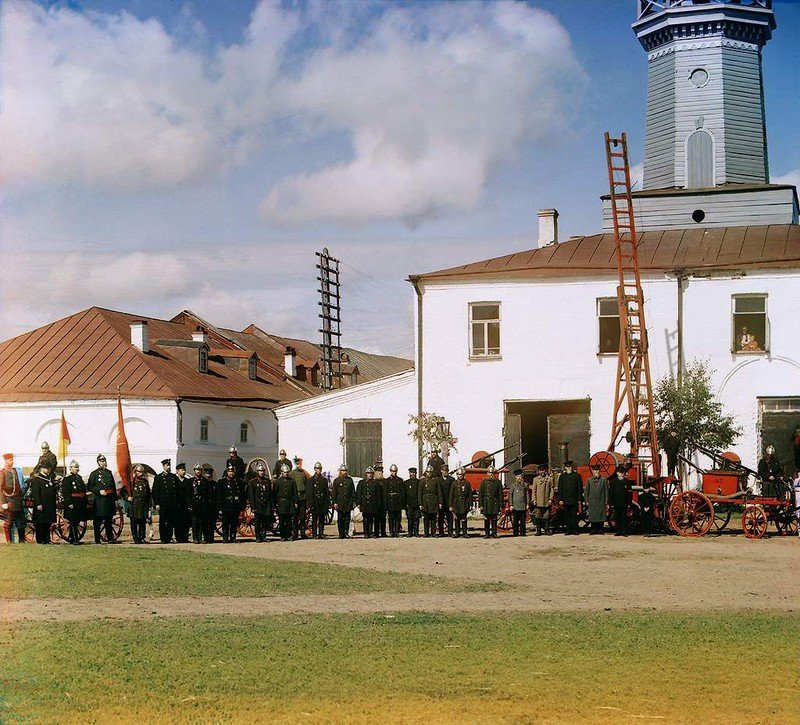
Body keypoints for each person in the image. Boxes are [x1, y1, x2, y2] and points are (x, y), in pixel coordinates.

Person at [88, 454, 117, 543]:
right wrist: (98, 491)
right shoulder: (94, 474)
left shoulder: (109, 472)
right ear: (98, 462)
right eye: (101, 461)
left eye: (104, 461)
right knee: (97, 521)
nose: (103, 463)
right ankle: (97, 539)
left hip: (109, 499)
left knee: (108, 520)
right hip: (99, 500)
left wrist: (115, 499)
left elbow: (113, 486)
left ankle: (110, 538)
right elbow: (90, 486)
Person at [152, 458, 181, 543]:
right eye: (167, 465)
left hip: (172, 503)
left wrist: (176, 502)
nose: (169, 467)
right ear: (163, 466)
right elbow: (155, 491)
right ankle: (163, 538)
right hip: (163, 503)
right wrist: (156, 503)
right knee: (163, 521)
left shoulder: (173, 477)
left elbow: (177, 490)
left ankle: (169, 537)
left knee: (170, 521)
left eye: (169, 465)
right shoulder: (159, 477)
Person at [61, 460, 88, 545]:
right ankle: (75, 539)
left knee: (77, 521)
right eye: (75, 467)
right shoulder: (67, 479)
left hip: (79, 502)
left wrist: (85, 502)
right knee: (73, 522)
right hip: (72, 502)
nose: (77, 469)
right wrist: (69, 503)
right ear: (71, 468)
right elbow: (66, 492)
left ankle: (72, 538)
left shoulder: (79, 478)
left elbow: (83, 491)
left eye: (77, 467)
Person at [29, 463, 57, 544]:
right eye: (47, 468)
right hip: (41, 504)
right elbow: (36, 493)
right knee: (40, 523)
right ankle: (40, 540)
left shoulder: (49, 479)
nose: (49, 470)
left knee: (47, 523)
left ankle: (47, 540)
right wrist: (38, 504)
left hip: (49, 505)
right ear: (42, 469)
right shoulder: (37, 480)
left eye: (49, 469)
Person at [1, 453, 26, 543]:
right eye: (10, 460)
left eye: (12, 459)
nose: (12, 461)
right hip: (9, 501)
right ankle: (9, 541)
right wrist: (3, 503)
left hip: (17, 500)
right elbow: (0, 489)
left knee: (21, 522)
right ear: (6, 461)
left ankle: (22, 540)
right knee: (9, 522)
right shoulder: (2, 472)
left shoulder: (15, 471)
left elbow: (19, 485)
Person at [217, 464, 243, 543]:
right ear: (227, 472)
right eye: (229, 471)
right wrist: (220, 506)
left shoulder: (237, 482)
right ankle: (225, 537)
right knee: (225, 523)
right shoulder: (222, 482)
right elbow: (219, 495)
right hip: (226, 505)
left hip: (235, 505)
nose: (231, 473)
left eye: (232, 471)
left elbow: (241, 494)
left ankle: (233, 537)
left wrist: (240, 505)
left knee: (234, 522)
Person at [247, 463, 273, 542]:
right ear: (257, 472)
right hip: (258, 504)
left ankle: (264, 536)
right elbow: (251, 496)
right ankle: (258, 537)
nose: (261, 472)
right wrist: (253, 507)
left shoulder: (267, 481)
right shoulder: (253, 482)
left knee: (265, 521)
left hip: (266, 504)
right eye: (260, 471)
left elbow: (270, 494)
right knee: (258, 522)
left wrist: (271, 505)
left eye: (262, 471)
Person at [188, 463, 213, 544]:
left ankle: (200, 537)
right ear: (194, 471)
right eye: (197, 470)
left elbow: (208, 493)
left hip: (203, 504)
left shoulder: (205, 481)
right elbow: (188, 494)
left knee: (202, 522)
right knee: (195, 522)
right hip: (194, 504)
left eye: (199, 470)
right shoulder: (190, 481)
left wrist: (207, 504)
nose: (198, 471)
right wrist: (189, 505)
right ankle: (195, 538)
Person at [273, 463, 298, 542]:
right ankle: (283, 536)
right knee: (282, 521)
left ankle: (289, 535)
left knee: (289, 521)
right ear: (281, 472)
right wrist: (275, 504)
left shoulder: (292, 481)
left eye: (287, 472)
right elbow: (275, 494)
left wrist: (295, 502)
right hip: (281, 503)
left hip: (289, 503)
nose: (286, 473)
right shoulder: (277, 482)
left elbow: (295, 493)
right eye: (284, 472)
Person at [558, 460, 583, 535]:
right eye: (567, 467)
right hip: (565, 500)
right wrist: (560, 499)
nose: (568, 468)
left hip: (574, 499)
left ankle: (574, 530)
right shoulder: (562, 476)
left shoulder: (577, 476)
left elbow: (580, 489)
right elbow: (560, 488)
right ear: (565, 467)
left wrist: (579, 499)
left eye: (570, 466)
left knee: (574, 516)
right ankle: (568, 530)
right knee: (567, 516)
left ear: (572, 467)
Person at [128, 464, 151, 544]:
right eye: (138, 471)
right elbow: (124, 491)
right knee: (134, 523)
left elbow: (148, 495)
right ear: (135, 472)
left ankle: (142, 537)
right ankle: (135, 538)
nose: (140, 473)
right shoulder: (131, 482)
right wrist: (127, 497)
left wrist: (149, 506)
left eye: (141, 472)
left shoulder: (145, 482)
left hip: (143, 504)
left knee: (142, 523)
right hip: (134, 504)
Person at [583, 463, 608, 535]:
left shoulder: (603, 480)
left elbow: (606, 491)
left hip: (601, 500)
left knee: (601, 515)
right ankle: (593, 529)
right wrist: (587, 501)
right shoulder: (589, 480)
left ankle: (600, 529)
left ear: (599, 471)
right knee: (593, 515)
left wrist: (606, 500)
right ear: (592, 471)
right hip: (592, 501)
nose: (596, 472)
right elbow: (586, 491)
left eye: (597, 470)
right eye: (595, 471)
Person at [478, 466, 503, 539]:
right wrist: (481, 504)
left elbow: (500, 494)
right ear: (487, 473)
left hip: (494, 503)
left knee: (494, 519)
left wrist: (500, 505)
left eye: (492, 473)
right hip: (486, 502)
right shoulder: (484, 482)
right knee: (486, 519)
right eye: (489, 472)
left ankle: (494, 533)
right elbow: (481, 494)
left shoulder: (498, 482)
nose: (490, 474)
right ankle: (487, 534)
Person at [332, 465, 355, 539]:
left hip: (348, 502)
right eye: (343, 471)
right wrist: (334, 502)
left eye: (345, 471)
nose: (344, 472)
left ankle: (346, 532)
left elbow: (352, 492)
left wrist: (353, 501)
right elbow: (334, 493)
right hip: (340, 503)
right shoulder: (337, 481)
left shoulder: (350, 480)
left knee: (347, 519)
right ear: (340, 471)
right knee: (340, 518)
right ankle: (341, 534)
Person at [307, 462, 330, 539]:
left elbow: (327, 492)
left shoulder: (324, 480)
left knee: (321, 519)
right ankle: (314, 534)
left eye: (320, 469)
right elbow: (309, 493)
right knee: (314, 519)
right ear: (314, 469)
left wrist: (328, 502)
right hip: (315, 501)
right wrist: (311, 503)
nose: (318, 470)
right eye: (317, 469)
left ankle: (321, 533)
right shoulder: (311, 480)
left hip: (322, 501)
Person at [608, 464, 632, 537]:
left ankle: (624, 531)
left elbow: (629, 494)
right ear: (617, 473)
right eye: (620, 472)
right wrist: (611, 503)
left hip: (624, 503)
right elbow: (611, 493)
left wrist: (629, 503)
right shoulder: (613, 482)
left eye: (622, 472)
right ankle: (618, 531)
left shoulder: (627, 482)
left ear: (624, 473)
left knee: (624, 517)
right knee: (617, 517)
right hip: (616, 502)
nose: (621, 474)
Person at [356, 467, 380, 538]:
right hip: (364, 503)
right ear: (366, 474)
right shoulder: (362, 483)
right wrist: (358, 503)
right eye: (368, 473)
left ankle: (370, 532)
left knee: (371, 519)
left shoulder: (375, 483)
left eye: (371, 473)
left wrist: (378, 504)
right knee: (366, 518)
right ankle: (366, 533)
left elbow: (378, 495)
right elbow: (359, 493)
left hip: (373, 503)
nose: (370, 475)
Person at [530, 464, 554, 536]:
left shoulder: (549, 479)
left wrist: (550, 499)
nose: (542, 472)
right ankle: (538, 531)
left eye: (543, 470)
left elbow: (551, 489)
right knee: (538, 516)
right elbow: (533, 490)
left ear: (545, 470)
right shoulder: (536, 479)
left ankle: (547, 530)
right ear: (539, 471)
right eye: (540, 470)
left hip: (547, 500)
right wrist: (534, 499)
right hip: (538, 501)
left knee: (546, 516)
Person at [449, 467, 472, 538]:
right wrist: (450, 505)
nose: (460, 476)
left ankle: (465, 533)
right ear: (457, 475)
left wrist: (470, 504)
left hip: (464, 503)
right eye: (459, 474)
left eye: (461, 474)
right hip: (456, 503)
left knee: (464, 518)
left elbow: (470, 495)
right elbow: (451, 495)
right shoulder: (454, 483)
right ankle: (457, 533)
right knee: (457, 519)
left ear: (464, 475)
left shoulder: (467, 483)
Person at [383, 464, 406, 537]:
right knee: (391, 517)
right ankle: (391, 531)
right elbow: (385, 493)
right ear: (390, 471)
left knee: (397, 518)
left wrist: (402, 503)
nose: (394, 472)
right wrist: (385, 504)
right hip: (390, 501)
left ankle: (396, 531)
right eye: (393, 471)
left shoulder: (400, 480)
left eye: (395, 471)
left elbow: (402, 492)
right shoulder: (387, 481)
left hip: (397, 501)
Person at [420, 467, 443, 537]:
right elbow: (419, 493)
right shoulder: (422, 481)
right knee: (426, 518)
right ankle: (426, 533)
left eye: (430, 472)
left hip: (433, 500)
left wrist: (440, 502)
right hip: (425, 501)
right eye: (427, 472)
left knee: (433, 518)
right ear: (425, 472)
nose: (429, 473)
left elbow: (439, 492)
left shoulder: (436, 481)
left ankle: (433, 533)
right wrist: (420, 503)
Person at [290, 457, 309, 540]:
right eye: (297, 464)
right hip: (295, 497)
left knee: (302, 517)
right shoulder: (292, 473)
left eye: (300, 463)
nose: (299, 465)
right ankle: (295, 533)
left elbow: (306, 484)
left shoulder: (304, 473)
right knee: (295, 517)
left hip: (302, 497)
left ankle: (302, 533)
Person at [508, 469, 529, 536]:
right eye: (517, 476)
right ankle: (515, 533)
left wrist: (527, 504)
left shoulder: (525, 485)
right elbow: (510, 495)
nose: (519, 478)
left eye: (520, 476)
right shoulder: (513, 485)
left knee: (523, 521)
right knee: (515, 521)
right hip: (515, 506)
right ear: (515, 477)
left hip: (523, 505)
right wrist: (511, 505)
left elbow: (527, 495)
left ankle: (523, 533)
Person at [174, 463, 191, 543]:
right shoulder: (175, 481)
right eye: (182, 470)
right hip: (177, 504)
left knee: (186, 522)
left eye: (184, 470)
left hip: (185, 504)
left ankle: (185, 537)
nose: (184, 472)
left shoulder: (187, 481)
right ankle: (178, 537)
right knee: (178, 522)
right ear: (178, 471)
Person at [201, 464, 217, 542]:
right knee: (205, 523)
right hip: (205, 505)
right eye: (207, 474)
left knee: (212, 523)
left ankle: (211, 537)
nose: (208, 476)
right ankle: (206, 537)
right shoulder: (202, 483)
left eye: (209, 474)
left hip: (213, 506)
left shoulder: (214, 484)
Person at [404, 467, 422, 537]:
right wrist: (405, 504)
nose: (412, 474)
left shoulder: (419, 482)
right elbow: (404, 494)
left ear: (416, 473)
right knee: (410, 519)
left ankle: (416, 532)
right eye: (411, 473)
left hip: (416, 504)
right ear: (409, 473)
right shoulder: (406, 483)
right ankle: (410, 532)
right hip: (409, 504)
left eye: (414, 473)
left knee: (416, 519)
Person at [438, 467, 454, 537]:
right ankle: (441, 532)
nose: (445, 472)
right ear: (441, 471)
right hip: (441, 502)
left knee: (450, 518)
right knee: (440, 518)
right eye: (443, 470)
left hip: (449, 501)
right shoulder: (438, 480)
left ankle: (450, 532)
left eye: (446, 471)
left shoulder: (452, 480)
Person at [373, 463, 388, 537]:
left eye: (380, 472)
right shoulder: (374, 482)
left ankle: (383, 532)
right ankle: (376, 533)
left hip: (383, 503)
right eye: (378, 472)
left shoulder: (385, 482)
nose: (379, 473)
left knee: (383, 518)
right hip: (375, 503)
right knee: (376, 519)